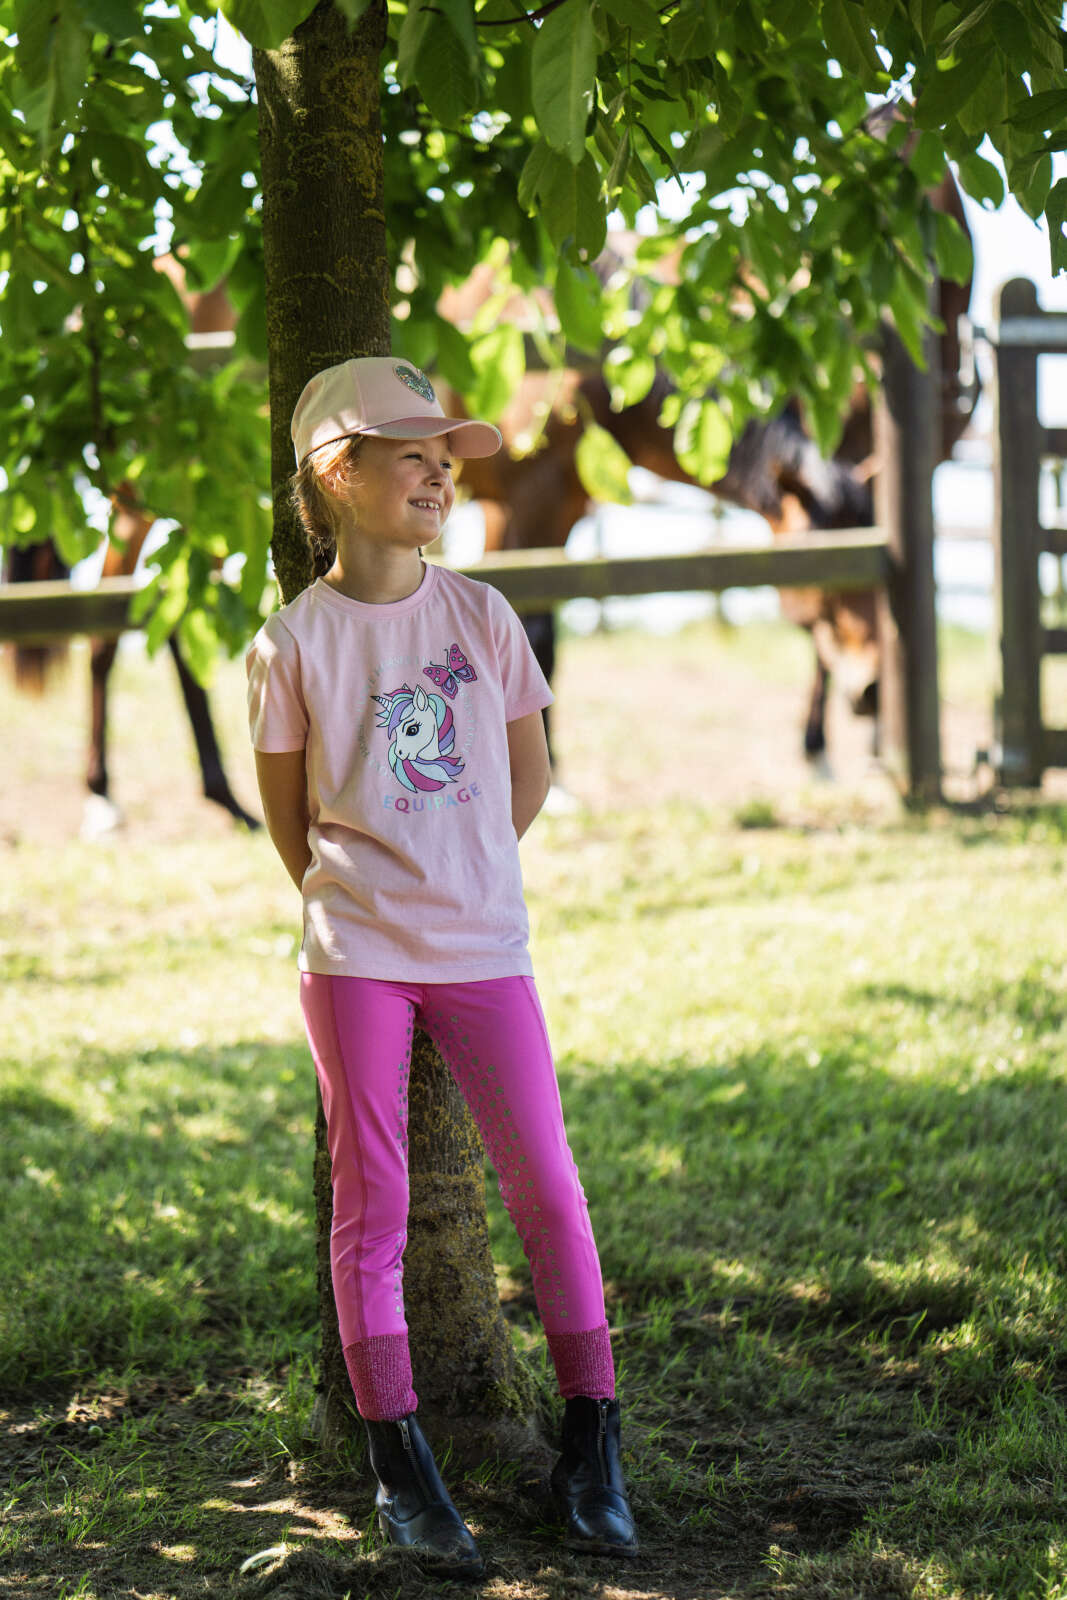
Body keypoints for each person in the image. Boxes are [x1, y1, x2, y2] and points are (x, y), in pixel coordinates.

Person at [246, 357, 638, 1579]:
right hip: (355, 956)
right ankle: (399, 1464)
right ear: (336, 473)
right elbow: (288, 823)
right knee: (376, 1199)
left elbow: (524, 782)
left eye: (443, 454)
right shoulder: (291, 645)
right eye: (407, 452)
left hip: (482, 945)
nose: (438, 470)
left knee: (548, 1188)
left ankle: (590, 1437)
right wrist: (377, 896)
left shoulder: (479, 618)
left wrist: (453, 871)